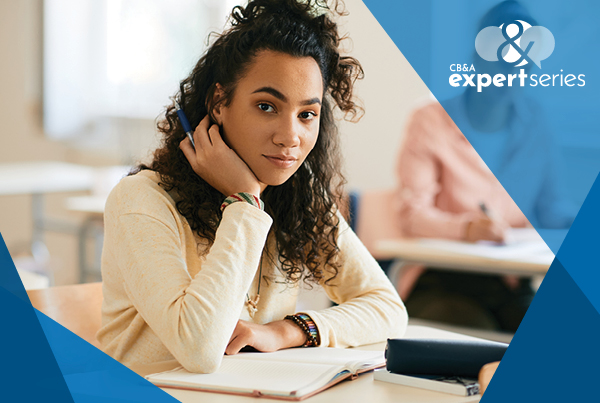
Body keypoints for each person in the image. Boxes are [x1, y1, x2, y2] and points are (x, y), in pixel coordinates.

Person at [97, 0, 407, 373]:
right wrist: (244, 201)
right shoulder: (141, 200)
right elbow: (198, 349)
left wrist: (288, 331)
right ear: (218, 102)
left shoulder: (297, 195)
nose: (291, 137)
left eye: (307, 114)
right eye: (266, 106)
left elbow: (387, 307)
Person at [394, 1, 575, 332]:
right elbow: (411, 215)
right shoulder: (431, 120)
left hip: (509, 282)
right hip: (443, 279)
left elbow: (552, 209)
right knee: (481, 342)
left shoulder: (536, 122)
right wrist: (465, 228)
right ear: (478, 57)